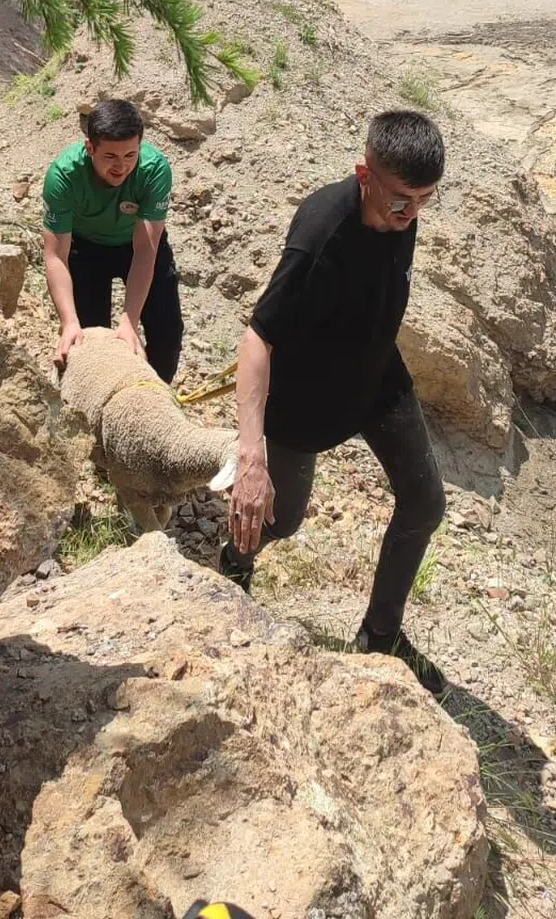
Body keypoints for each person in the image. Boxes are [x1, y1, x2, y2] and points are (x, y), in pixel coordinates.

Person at [222, 109, 449, 696]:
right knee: (285, 517)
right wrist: (251, 458)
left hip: (376, 380)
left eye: (425, 200)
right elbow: (257, 338)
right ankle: (232, 564)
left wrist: (404, 208)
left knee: (424, 502)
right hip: (303, 401)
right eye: (401, 199)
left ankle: (380, 636)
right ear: (364, 174)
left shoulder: (401, 212)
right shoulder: (321, 229)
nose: (412, 214)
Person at [42, 97, 183, 381]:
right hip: (86, 248)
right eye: (110, 157)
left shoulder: (154, 170)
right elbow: (56, 255)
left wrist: (130, 320)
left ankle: (154, 402)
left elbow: (146, 250)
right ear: (90, 148)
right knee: (89, 340)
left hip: (135, 245)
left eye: (130, 155)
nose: (121, 166)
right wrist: (69, 321)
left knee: (167, 331)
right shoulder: (63, 176)